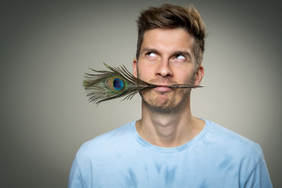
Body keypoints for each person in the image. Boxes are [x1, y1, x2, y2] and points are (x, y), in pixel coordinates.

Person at [69, 4, 272, 187]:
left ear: (197, 75)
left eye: (179, 57)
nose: (164, 70)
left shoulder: (244, 159)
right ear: (135, 70)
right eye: (151, 55)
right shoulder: (92, 160)